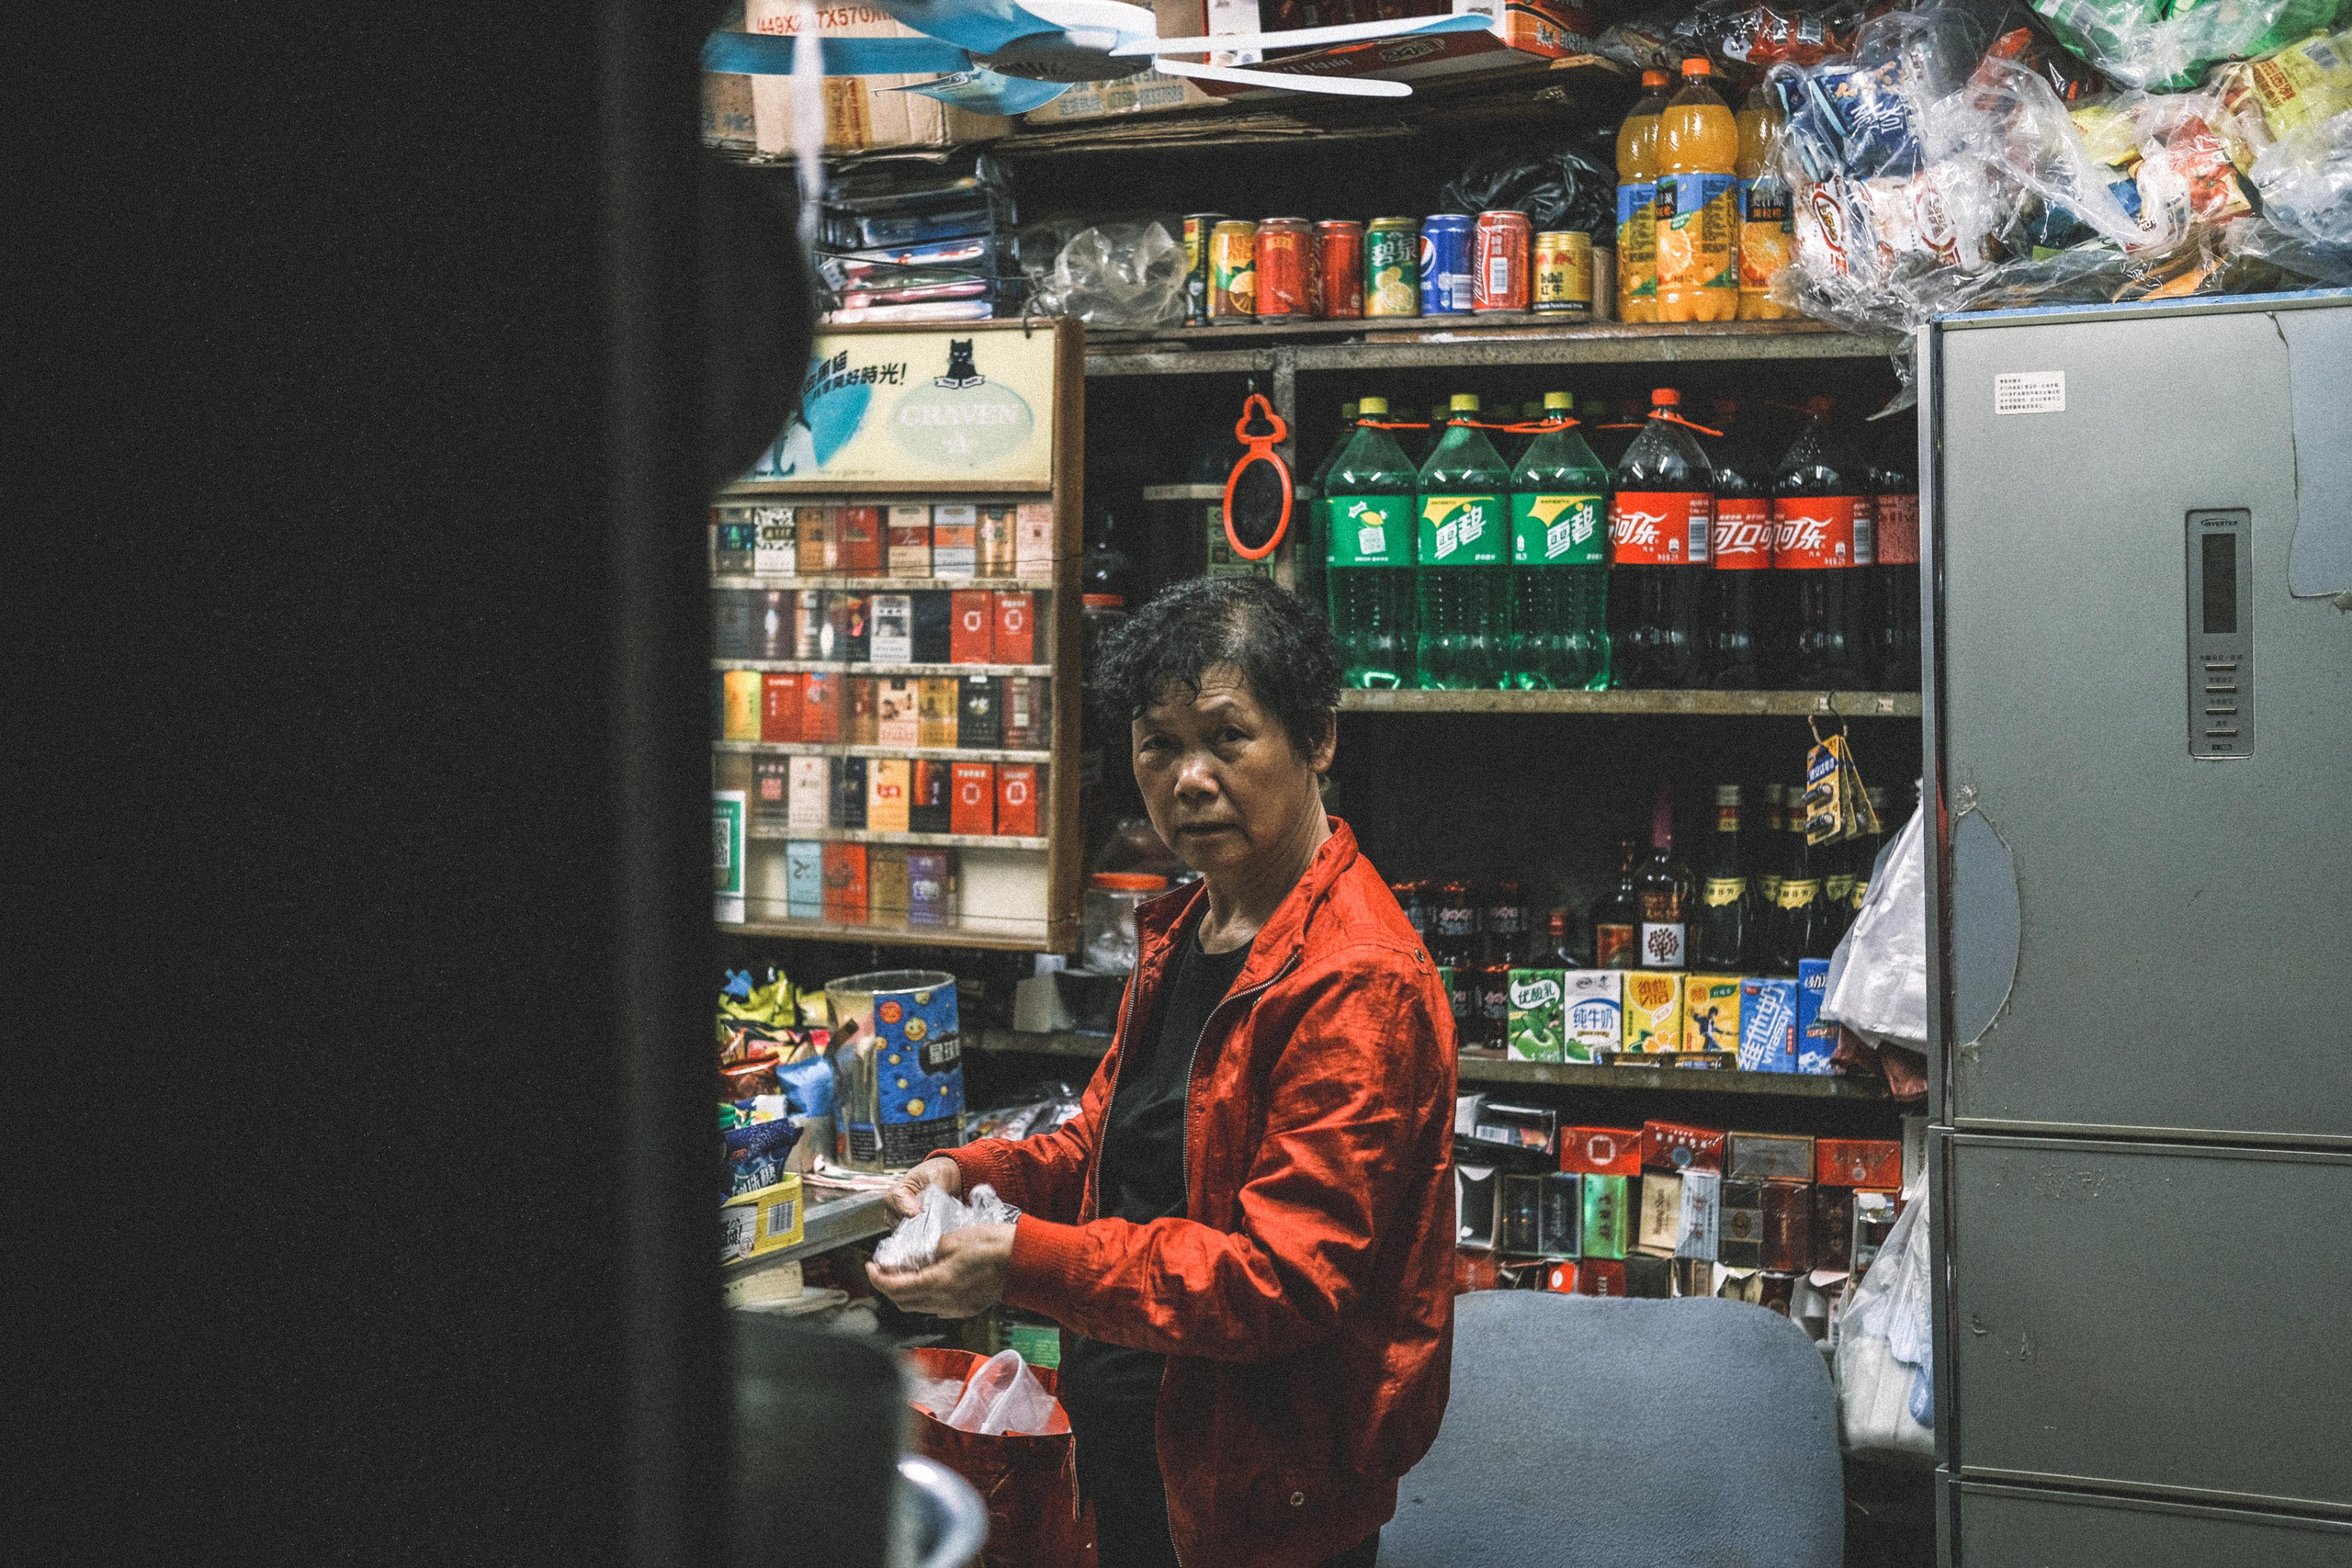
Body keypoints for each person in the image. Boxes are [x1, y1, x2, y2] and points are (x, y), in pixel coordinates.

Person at [869, 576, 1457, 1568]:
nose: (1189, 778)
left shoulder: (1355, 979)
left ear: (1316, 739)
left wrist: (1020, 1260)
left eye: (1228, 737)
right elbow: (1112, 1142)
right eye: (1159, 742)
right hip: (1140, 1455)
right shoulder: (1194, 926)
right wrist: (973, 1178)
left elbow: (1279, 1282)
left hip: (1259, 1498)